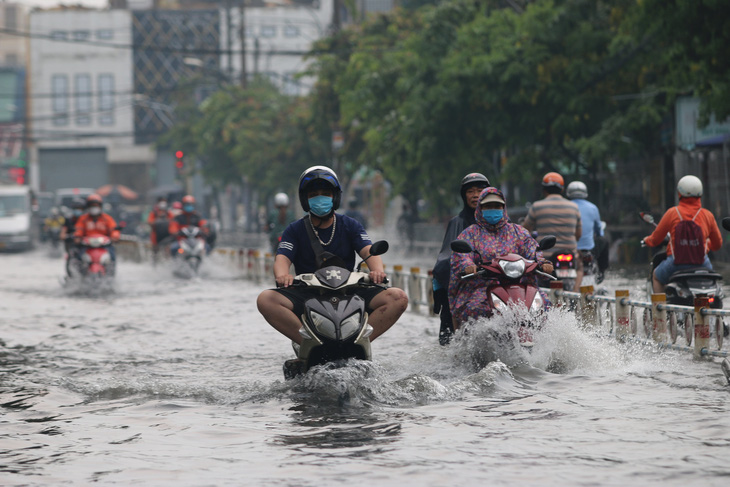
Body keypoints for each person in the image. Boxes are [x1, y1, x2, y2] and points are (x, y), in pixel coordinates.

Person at [256, 165, 408, 346]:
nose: (320, 198)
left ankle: (360, 342)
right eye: (313, 194)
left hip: (349, 293)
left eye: (325, 193)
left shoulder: (350, 225)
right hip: (308, 294)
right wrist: (282, 275)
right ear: (305, 199)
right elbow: (282, 257)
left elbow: (368, 250)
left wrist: (377, 271)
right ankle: (308, 343)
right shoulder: (294, 229)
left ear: (335, 197)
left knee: (398, 297)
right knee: (265, 300)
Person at [449, 187, 554, 327]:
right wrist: (468, 266)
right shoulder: (470, 234)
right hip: (483, 286)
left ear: (504, 208)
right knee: (475, 309)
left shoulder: (518, 232)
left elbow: (533, 250)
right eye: (488, 206)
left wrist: (542, 262)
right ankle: (475, 346)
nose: (493, 209)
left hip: (521, 284)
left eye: (497, 206)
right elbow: (462, 256)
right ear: (480, 208)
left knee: (545, 305)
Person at [432, 172, 490, 345]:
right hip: (468, 280)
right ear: (464, 196)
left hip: (498, 278)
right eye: (470, 191)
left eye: (480, 191)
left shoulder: (504, 225)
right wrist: (466, 265)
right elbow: (447, 257)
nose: (475, 195)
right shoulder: (457, 223)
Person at [642, 175, 722, 293]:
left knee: (656, 277)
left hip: (676, 263)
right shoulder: (707, 215)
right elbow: (718, 244)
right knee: (712, 280)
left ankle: (659, 310)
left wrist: (647, 240)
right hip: (702, 263)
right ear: (700, 193)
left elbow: (656, 239)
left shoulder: (672, 213)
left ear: (679, 193)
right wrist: (706, 245)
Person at [522, 172, 583, 289]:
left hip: (547, 257)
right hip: (570, 253)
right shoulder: (573, 207)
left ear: (544, 190)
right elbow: (578, 234)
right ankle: (576, 294)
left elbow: (524, 231)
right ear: (562, 190)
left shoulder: (537, 206)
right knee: (580, 267)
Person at [566, 180, 608, 282]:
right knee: (604, 241)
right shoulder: (593, 208)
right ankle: (601, 272)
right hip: (588, 250)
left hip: (567, 248)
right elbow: (599, 232)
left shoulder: (564, 206)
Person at [74, 194, 120, 267]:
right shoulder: (83, 219)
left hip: (104, 244)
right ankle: (79, 273)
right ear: (88, 207)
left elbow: (113, 229)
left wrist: (114, 236)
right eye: (92, 206)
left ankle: (111, 273)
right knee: (78, 256)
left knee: (112, 256)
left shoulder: (107, 219)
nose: (94, 208)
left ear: (100, 206)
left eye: (96, 206)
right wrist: (77, 236)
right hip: (87, 244)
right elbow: (79, 229)